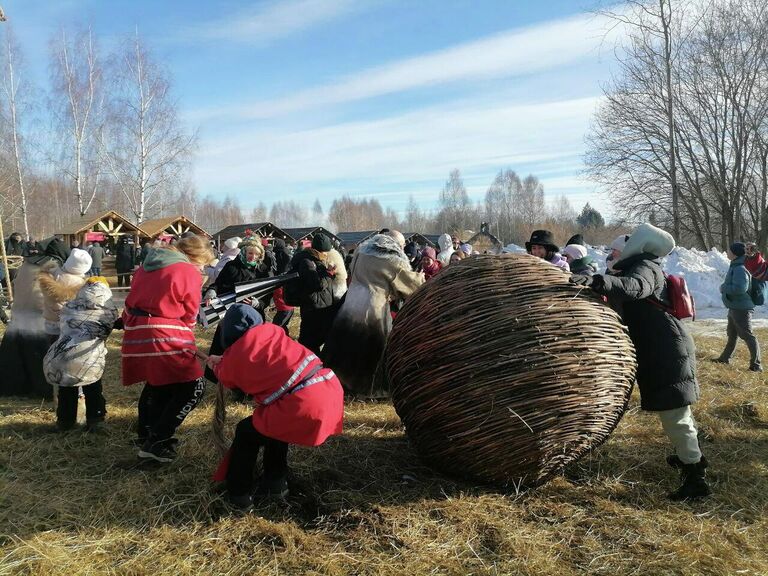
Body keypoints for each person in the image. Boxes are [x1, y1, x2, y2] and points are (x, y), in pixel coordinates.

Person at [570, 223, 710, 500]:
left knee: (675, 415)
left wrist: (600, 281)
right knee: (676, 414)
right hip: (659, 347)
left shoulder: (646, 266)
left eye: (616, 249)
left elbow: (636, 288)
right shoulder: (632, 266)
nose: (611, 254)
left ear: (640, 245)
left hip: (667, 350)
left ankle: (696, 478)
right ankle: (690, 459)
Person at [206, 304, 344, 510]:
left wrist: (217, 365)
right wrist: (226, 361)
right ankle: (275, 483)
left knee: (246, 433)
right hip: (328, 388)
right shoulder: (274, 335)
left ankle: (238, 495)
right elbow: (261, 360)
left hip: (303, 403)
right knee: (275, 428)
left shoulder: (239, 354)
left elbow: (229, 377)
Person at [121, 235, 213, 462]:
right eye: (202, 263)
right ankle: (158, 442)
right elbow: (190, 309)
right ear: (195, 256)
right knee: (193, 386)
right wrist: (189, 328)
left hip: (138, 329)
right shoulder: (186, 270)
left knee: (157, 381)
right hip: (165, 329)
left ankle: (146, 433)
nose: (202, 268)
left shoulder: (147, 266)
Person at [323, 231, 425, 397]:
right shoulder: (391, 259)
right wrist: (420, 278)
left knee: (345, 343)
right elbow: (410, 286)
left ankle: (339, 381)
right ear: (395, 243)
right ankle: (367, 390)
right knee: (371, 348)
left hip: (352, 301)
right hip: (374, 307)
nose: (403, 247)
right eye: (402, 244)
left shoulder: (361, 252)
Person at [43, 277, 118, 432]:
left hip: (62, 355)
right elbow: (107, 329)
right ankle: (95, 420)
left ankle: (65, 422)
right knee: (93, 389)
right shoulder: (106, 311)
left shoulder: (69, 307)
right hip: (88, 360)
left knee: (66, 390)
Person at [713, 242, 761, 371]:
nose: (727, 251)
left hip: (741, 308)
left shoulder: (740, 267)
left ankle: (756, 365)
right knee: (732, 334)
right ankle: (725, 358)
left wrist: (724, 288)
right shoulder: (736, 265)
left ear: (734, 253)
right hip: (735, 306)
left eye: (729, 250)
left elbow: (740, 288)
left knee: (747, 335)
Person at [286, 234, 337, 354]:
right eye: (326, 252)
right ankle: (313, 367)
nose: (327, 254)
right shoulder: (307, 262)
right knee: (310, 343)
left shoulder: (316, 260)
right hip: (313, 309)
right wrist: (329, 274)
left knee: (318, 339)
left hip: (321, 307)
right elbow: (317, 284)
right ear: (321, 250)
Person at [38, 248, 92, 344]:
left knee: (49, 349)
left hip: (49, 321)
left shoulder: (52, 274)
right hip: (69, 324)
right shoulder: (80, 283)